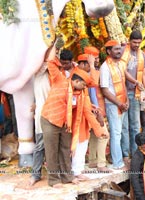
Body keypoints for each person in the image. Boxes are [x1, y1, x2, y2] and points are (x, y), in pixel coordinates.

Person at [41, 44, 106, 187]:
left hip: (66, 123)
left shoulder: (81, 93)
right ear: (76, 81)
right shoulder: (59, 79)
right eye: (83, 85)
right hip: (50, 120)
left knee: (65, 150)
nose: (85, 88)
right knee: (52, 151)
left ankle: (67, 177)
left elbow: (87, 112)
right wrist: (53, 44)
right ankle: (54, 180)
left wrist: (99, 130)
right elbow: (50, 61)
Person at [100, 40, 129, 170]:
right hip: (113, 104)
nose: (119, 51)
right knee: (116, 134)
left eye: (119, 49)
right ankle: (117, 163)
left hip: (122, 103)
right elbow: (105, 90)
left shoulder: (119, 65)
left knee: (122, 132)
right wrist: (119, 104)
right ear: (108, 51)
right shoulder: (105, 67)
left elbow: (123, 85)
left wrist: (126, 101)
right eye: (116, 49)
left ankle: (121, 158)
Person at [121, 30, 145, 157]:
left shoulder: (142, 55)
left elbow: (144, 75)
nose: (137, 45)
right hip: (122, 93)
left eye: (139, 43)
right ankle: (125, 154)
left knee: (135, 125)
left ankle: (135, 153)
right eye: (134, 42)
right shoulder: (122, 51)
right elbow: (121, 70)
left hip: (135, 93)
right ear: (129, 41)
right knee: (124, 127)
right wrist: (134, 81)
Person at [84, 46, 111, 172]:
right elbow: (93, 93)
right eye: (94, 58)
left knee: (94, 136)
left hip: (92, 109)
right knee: (103, 135)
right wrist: (98, 113)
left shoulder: (88, 71)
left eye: (97, 58)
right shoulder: (90, 73)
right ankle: (101, 164)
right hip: (94, 110)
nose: (96, 60)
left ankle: (93, 161)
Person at [29, 60, 51, 186]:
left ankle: (56, 173)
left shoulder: (57, 75)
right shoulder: (39, 75)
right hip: (42, 116)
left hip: (56, 117)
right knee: (40, 146)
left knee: (56, 147)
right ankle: (35, 174)